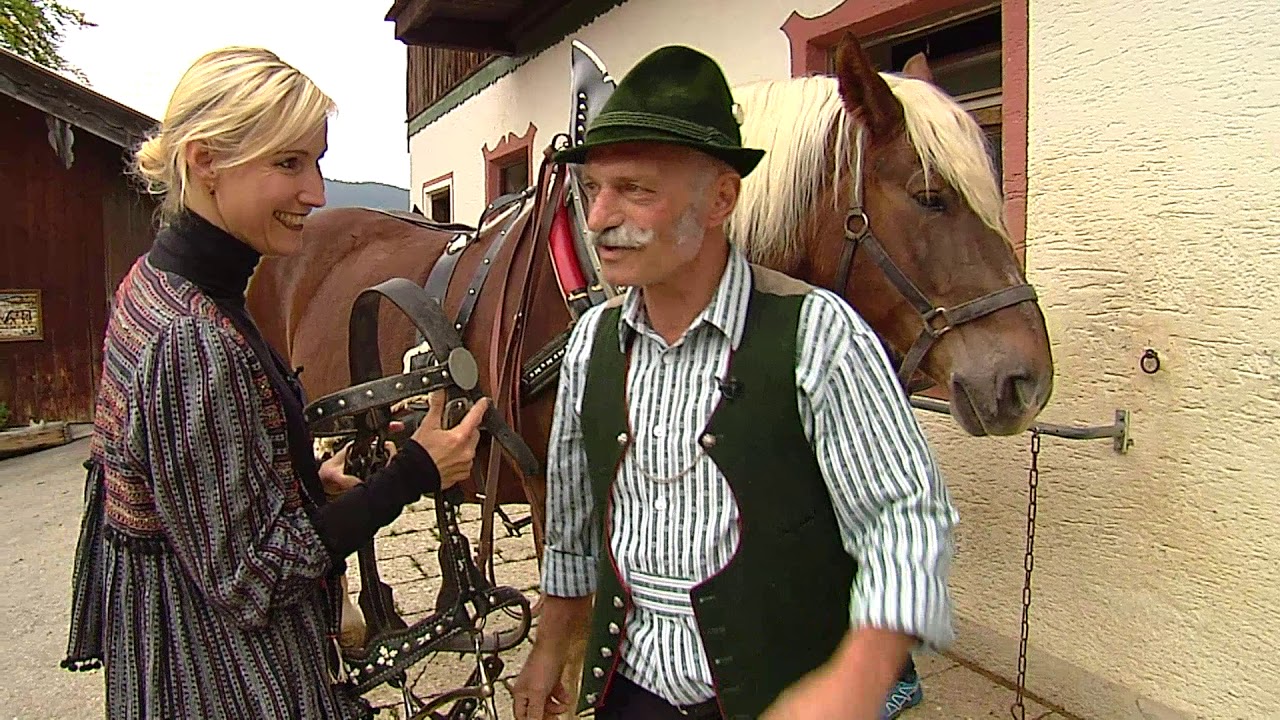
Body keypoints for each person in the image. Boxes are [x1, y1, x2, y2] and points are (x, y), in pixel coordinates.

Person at [509, 45, 958, 720]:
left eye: (635, 189)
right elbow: (572, 530)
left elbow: (905, 517)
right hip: (628, 694)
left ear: (721, 198)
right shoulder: (590, 346)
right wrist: (550, 647)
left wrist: (859, 679)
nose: (599, 217)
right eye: (594, 188)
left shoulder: (817, 334)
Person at [61, 46, 489, 719]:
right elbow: (254, 576)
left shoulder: (156, 281)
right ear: (205, 160)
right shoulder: (193, 339)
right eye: (288, 164)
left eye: (316, 162)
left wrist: (296, 480)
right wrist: (414, 473)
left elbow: (183, 487)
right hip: (220, 675)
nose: (316, 193)